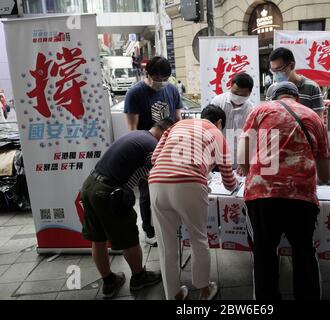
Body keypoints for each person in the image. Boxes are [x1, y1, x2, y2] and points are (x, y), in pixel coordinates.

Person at [238, 81, 330, 300]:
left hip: (262, 196)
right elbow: (325, 176)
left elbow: (242, 159)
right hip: (302, 198)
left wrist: (252, 169)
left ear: (273, 96)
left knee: (264, 254)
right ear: (296, 97)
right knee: (304, 253)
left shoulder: (260, 110)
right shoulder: (315, 118)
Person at [149, 105, 238, 300]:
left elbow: (155, 158)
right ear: (219, 122)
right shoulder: (217, 134)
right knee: (199, 239)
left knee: (166, 244)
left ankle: (174, 295)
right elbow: (229, 181)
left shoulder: (176, 126)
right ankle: (204, 291)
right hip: (189, 185)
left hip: (156, 182)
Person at [81, 118, 174, 299]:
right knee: (129, 238)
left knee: (98, 239)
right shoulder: (152, 145)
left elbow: (143, 172)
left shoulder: (138, 136)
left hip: (89, 187)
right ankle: (139, 278)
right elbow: (160, 173)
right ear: (166, 132)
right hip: (110, 194)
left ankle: (109, 283)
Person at [124, 56, 183, 245]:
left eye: (165, 79)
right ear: (146, 74)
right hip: (147, 150)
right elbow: (132, 129)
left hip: (171, 148)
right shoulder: (135, 93)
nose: (162, 83)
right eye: (158, 79)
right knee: (147, 191)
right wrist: (140, 157)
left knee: (171, 190)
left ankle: (169, 227)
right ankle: (149, 232)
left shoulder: (172, 89)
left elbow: (178, 118)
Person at [211, 73, 254, 167]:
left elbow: (250, 138)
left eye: (242, 95)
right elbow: (209, 128)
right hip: (217, 154)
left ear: (249, 93)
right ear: (230, 87)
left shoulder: (251, 110)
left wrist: (244, 163)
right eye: (235, 93)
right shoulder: (218, 101)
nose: (238, 96)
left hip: (238, 157)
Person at [267, 47, 324, 119]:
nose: (276, 74)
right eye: (273, 71)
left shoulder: (311, 88)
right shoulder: (272, 90)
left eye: (279, 69)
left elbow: (318, 121)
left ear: (292, 65)